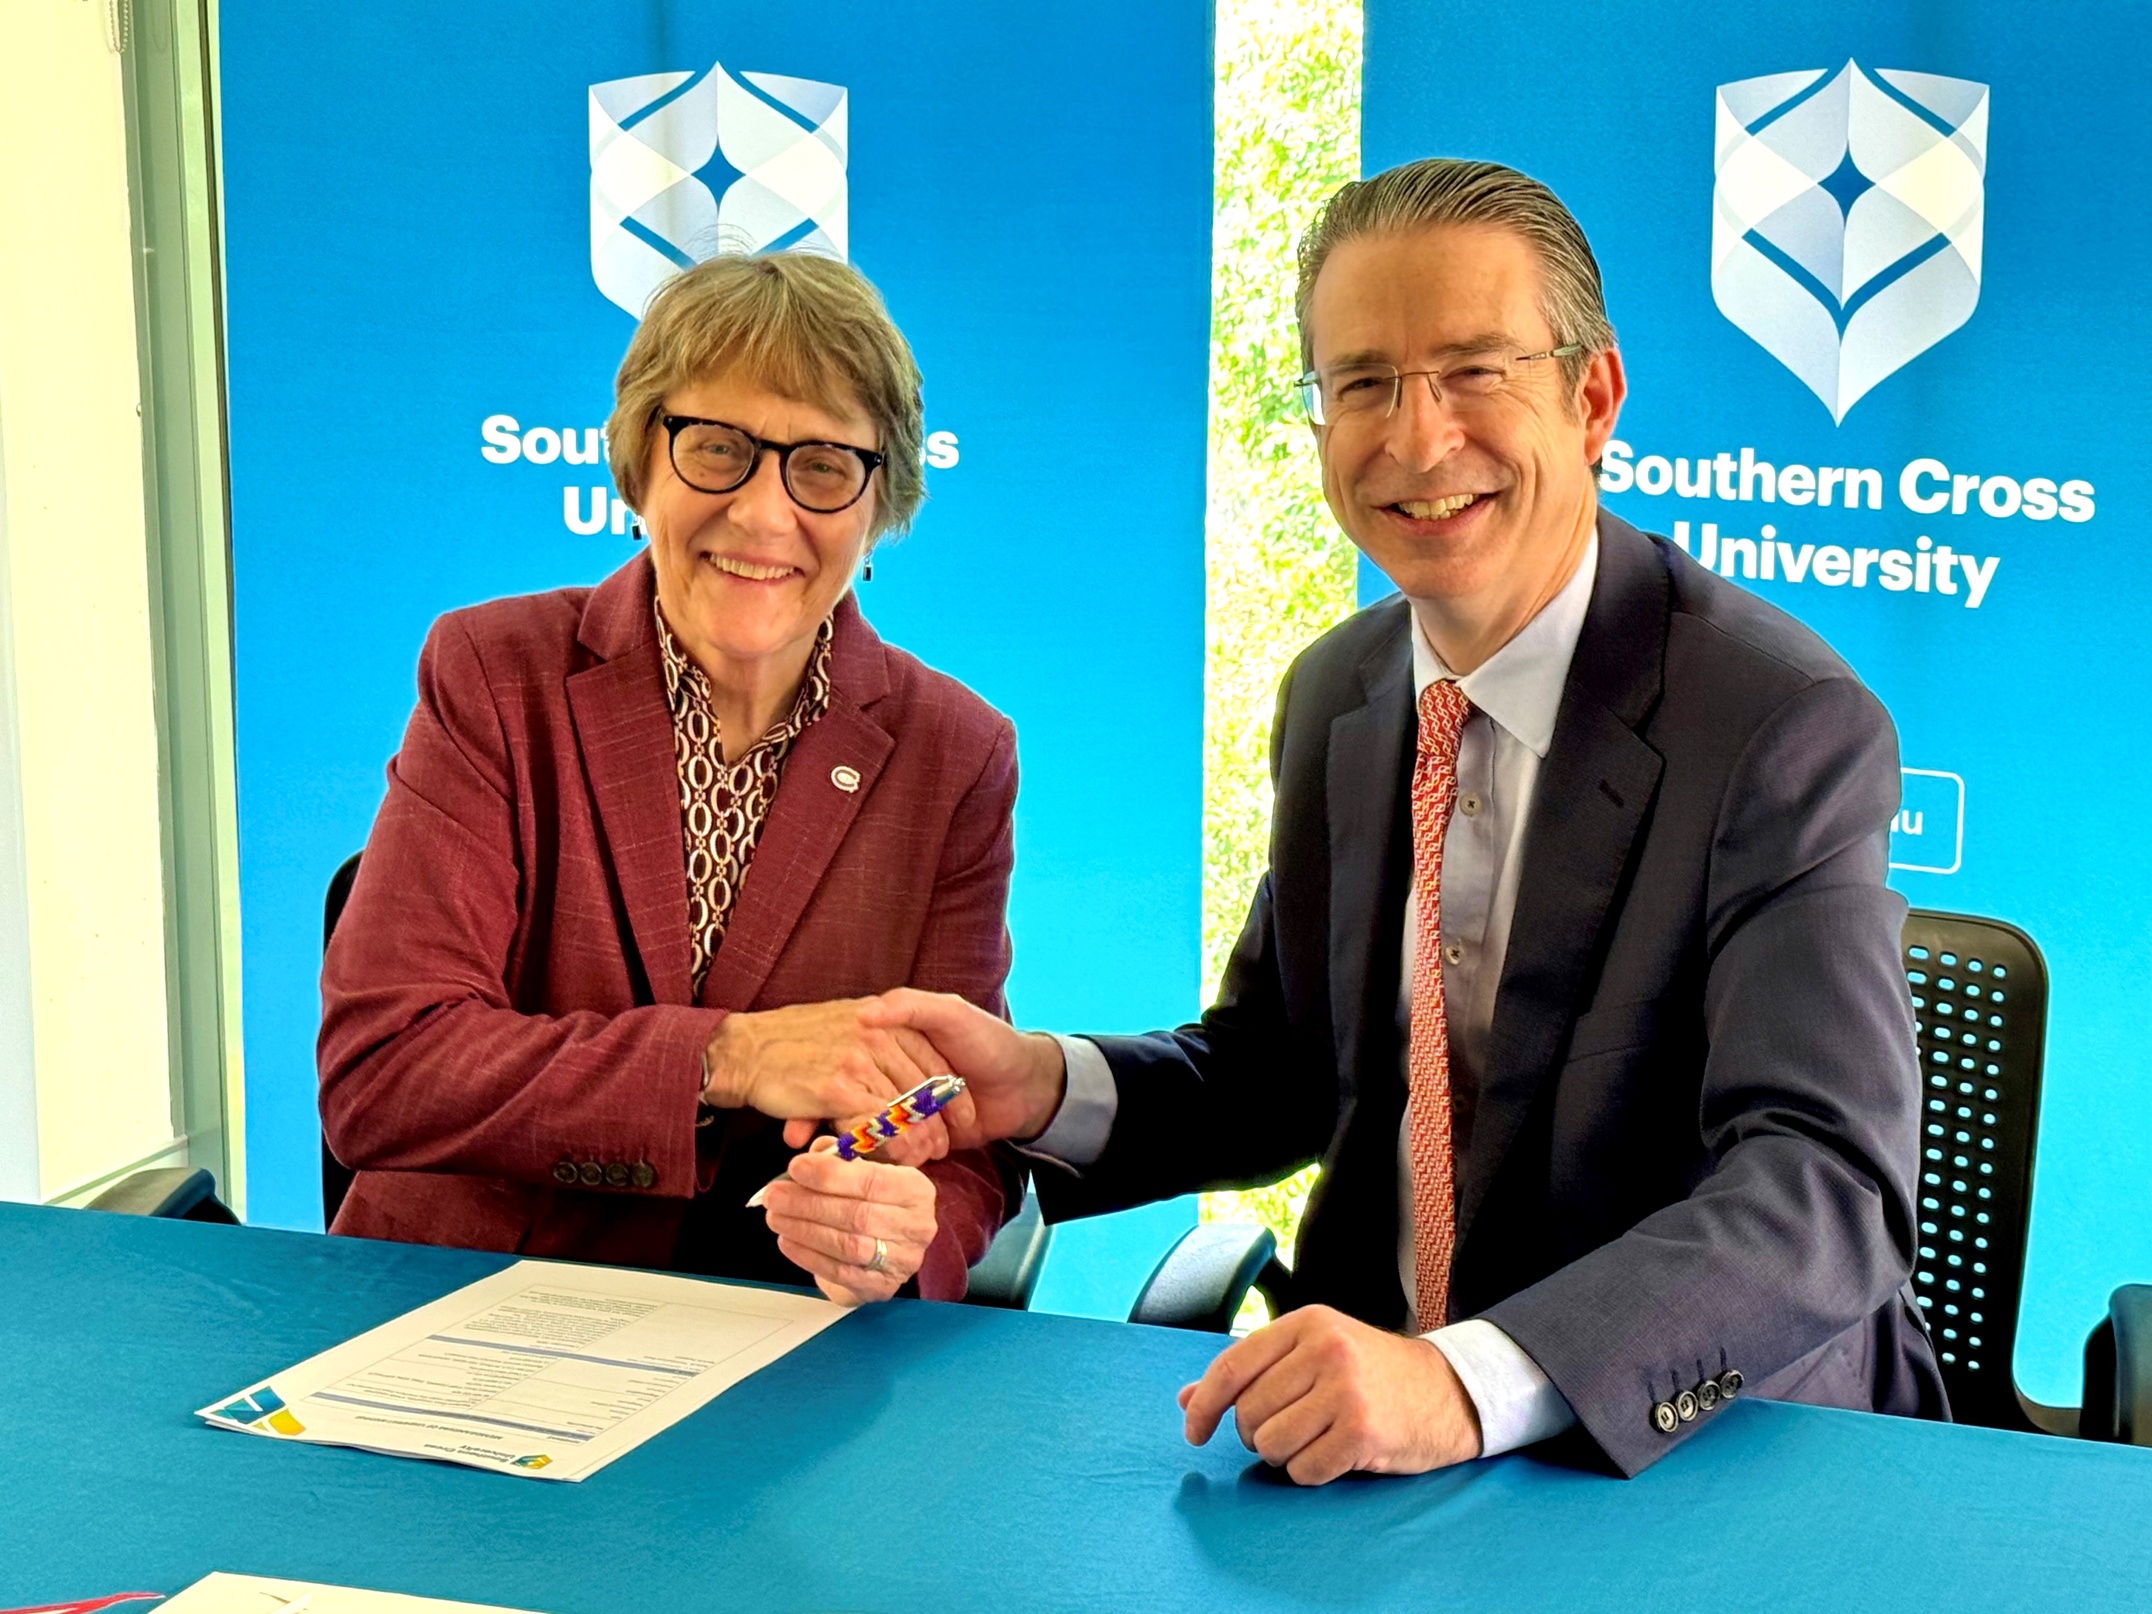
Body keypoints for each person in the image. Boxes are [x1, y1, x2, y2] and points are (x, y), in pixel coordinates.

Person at [870, 158, 1945, 1477]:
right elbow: (1278, 1077)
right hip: (1382, 1454)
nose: (1418, 439)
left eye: (1476, 371)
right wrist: (1039, 1083)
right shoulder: (1344, 693)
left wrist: (1463, 1378)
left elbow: (1825, 1185)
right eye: (1364, 382)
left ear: (1592, 394)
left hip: (1705, 1456)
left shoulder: (1777, 723)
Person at [319, 252, 1017, 1305]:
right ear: (640, 459)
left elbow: (956, 1124)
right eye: (718, 448)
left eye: (823, 465)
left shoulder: (953, 751)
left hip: (771, 1351)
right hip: (458, 1317)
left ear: (880, 503)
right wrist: (726, 1057)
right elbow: (388, 1072)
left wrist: (899, 1236)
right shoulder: (494, 675)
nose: (763, 513)